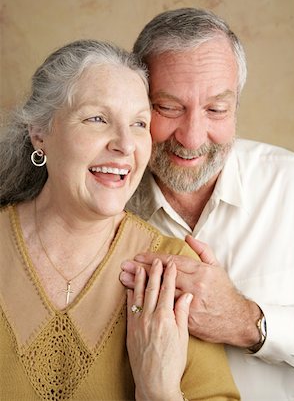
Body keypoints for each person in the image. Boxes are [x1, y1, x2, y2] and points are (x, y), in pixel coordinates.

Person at [0, 39, 240, 400]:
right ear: (40, 134)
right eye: (98, 118)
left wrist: (157, 389)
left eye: (140, 123)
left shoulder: (172, 271)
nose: (126, 145)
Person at [120, 8, 294, 401]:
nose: (191, 137)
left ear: (236, 106)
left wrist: (247, 322)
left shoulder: (293, 187)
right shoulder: (103, 201)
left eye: (216, 109)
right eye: (168, 107)